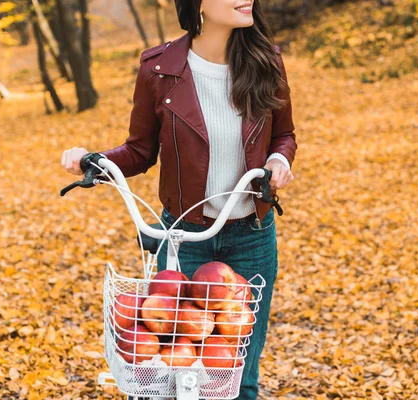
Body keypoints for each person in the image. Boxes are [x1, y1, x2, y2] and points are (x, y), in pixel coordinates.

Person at [61, 0, 297, 397]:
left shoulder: (265, 60)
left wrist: (278, 159)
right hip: (184, 239)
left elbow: (284, 134)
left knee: (238, 375)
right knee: (175, 375)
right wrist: (95, 160)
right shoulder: (159, 68)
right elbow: (139, 151)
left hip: (253, 237)